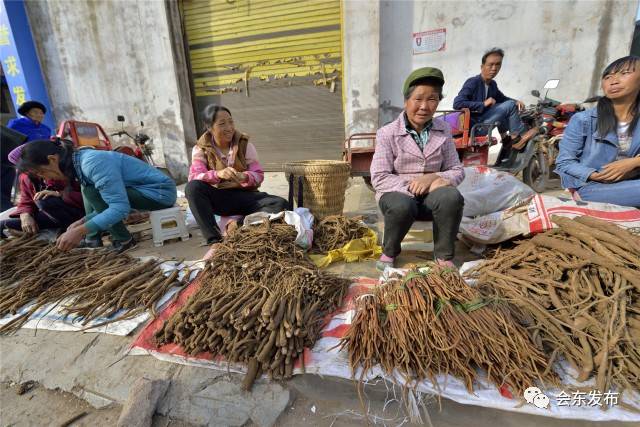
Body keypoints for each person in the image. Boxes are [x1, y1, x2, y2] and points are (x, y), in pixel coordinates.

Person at [371, 67, 465, 270]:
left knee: (451, 197)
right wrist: (414, 186)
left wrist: (434, 178)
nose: (424, 106)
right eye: (418, 99)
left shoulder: (444, 130)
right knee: (402, 205)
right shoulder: (387, 133)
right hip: (398, 194)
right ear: (406, 101)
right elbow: (379, 176)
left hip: (432, 199)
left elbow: (456, 169)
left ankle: (443, 256)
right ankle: (390, 251)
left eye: (432, 99)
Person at [17, 139, 177, 251]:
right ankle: (97, 239)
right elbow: (106, 204)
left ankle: (124, 240)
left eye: (41, 172)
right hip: (143, 192)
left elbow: (119, 208)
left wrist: (79, 231)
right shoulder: (79, 163)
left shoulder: (92, 163)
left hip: (160, 194)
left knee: (90, 190)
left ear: (52, 159)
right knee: (89, 189)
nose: (45, 179)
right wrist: (82, 221)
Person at [185, 105, 288, 245]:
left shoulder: (245, 145)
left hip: (245, 197)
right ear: (209, 127)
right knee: (193, 188)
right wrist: (218, 174)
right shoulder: (201, 148)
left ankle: (238, 225)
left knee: (280, 204)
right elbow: (194, 176)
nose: (229, 127)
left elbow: (258, 175)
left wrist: (244, 176)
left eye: (231, 122)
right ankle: (214, 239)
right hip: (220, 198)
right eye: (222, 124)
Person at [555, 55, 640, 207]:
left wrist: (634, 162)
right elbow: (564, 162)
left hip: (633, 182)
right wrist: (595, 175)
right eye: (608, 77)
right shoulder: (584, 120)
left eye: (625, 73)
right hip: (593, 187)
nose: (614, 81)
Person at [453, 48, 535, 164]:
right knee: (509, 106)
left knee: (511, 108)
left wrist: (516, 101)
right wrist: (483, 104)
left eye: (498, 65)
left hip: (484, 122)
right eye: (490, 65)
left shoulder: (492, 85)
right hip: (475, 127)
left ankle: (506, 142)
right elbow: (457, 103)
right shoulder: (473, 82)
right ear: (482, 67)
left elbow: (503, 99)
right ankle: (517, 138)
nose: (494, 68)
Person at [0, 143, 84, 237]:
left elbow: (89, 198)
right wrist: (25, 215)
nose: (38, 174)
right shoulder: (26, 177)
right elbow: (26, 200)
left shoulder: (64, 169)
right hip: (50, 216)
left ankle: (71, 232)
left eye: (38, 170)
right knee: (3, 226)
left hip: (78, 214)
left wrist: (61, 194)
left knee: (44, 200)